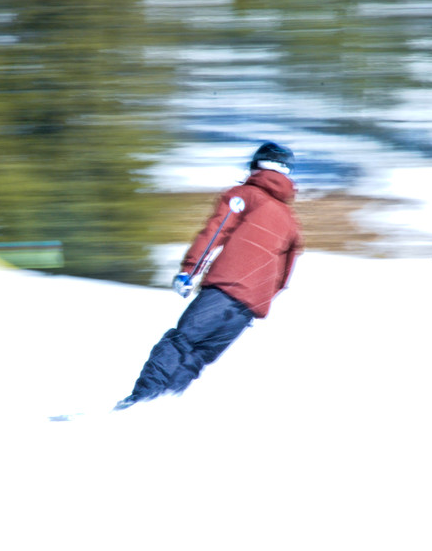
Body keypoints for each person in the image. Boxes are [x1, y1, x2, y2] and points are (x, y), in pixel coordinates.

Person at [115, 142, 303, 410]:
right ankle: (155, 408)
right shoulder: (290, 220)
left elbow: (216, 232)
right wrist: (258, 300)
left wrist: (188, 271)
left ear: (257, 164)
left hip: (223, 291)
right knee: (197, 357)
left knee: (179, 343)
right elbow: (284, 276)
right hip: (248, 307)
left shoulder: (245, 195)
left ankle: (139, 402)